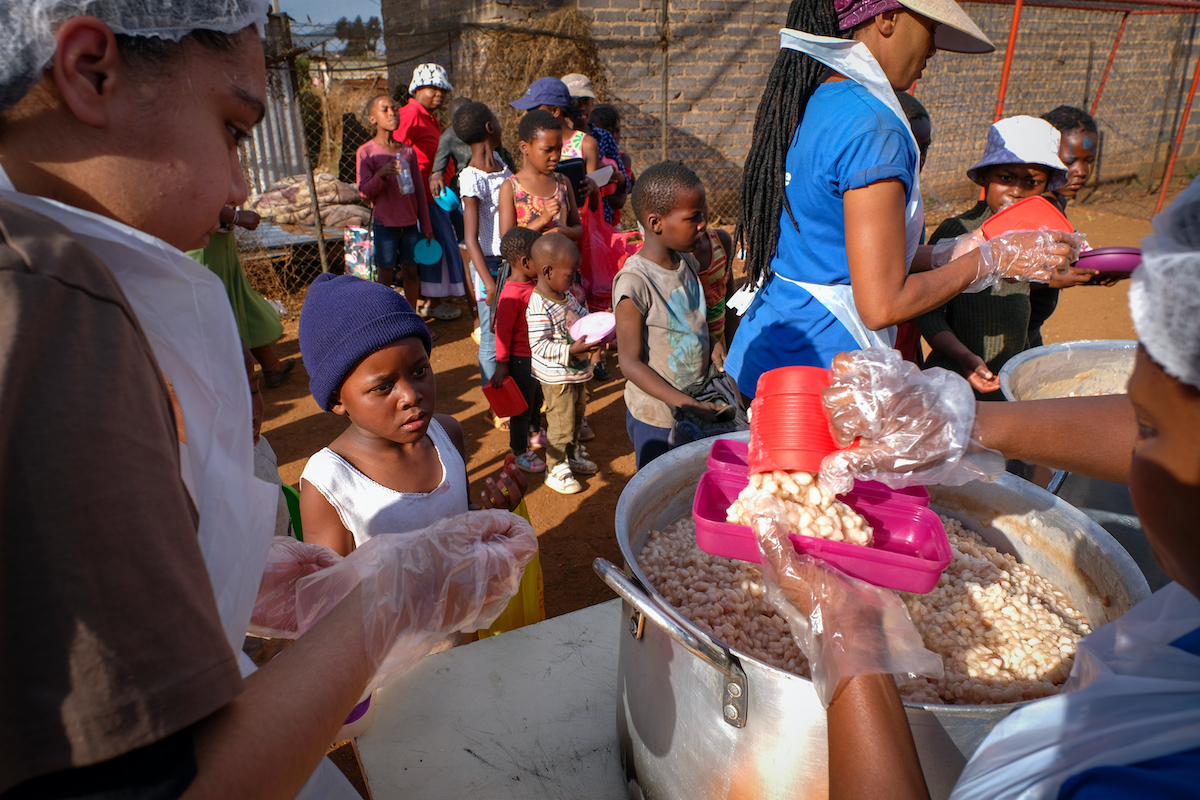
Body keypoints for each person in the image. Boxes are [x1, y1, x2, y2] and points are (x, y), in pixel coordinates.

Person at [0, 5, 534, 797]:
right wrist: (386, 597)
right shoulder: (45, 303)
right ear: (90, 72)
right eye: (233, 128)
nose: (240, 184)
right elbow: (166, 782)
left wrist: (234, 569)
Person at [768, 178, 1200, 800]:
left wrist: (849, 634)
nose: (1137, 450)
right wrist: (961, 423)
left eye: (1149, 433)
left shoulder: (1147, 778)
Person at [724, 0, 1080, 402]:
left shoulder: (811, 102)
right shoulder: (875, 128)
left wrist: (948, 254)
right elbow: (882, 304)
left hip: (771, 349)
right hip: (825, 376)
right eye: (930, 26)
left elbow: (835, 249)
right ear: (887, 18)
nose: (933, 49)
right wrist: (991, 259)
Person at [296, 274, 526, 557]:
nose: (411, 396)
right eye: (383, 387)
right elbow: (329, 592)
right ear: (336, 399)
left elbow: (458, 519)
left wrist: (490, 515)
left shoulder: (446, 435)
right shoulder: (330, 483)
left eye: (419, 371)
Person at [917, 115, 1075, 397]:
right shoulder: (957, 232)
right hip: (956, 377)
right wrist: (964, 357)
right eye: (1005, 178)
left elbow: (1027, 311)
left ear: (1046, 187)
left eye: (1031, 182)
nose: (1016, 191)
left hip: (1011, 375)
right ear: (986, 177)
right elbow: (929, 313)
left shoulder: (1036, 238)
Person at [613, 162, 723, 469]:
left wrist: (712, 341)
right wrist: (687, 404)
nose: (703, 223)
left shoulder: (685, 261)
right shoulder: (635, 283)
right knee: (660, 489)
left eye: (702, 213)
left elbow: (687, 320)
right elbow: (630, 363)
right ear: (655, 223)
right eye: (693, 217)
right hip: (659, 418)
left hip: (694, 403)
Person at [188, 204, 296, 387]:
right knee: (211, 309)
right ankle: (225, 385)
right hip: (201, 237)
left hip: (218, 235)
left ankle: (271, 366)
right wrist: (235, 217)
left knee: (235, 299)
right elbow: (192, 197)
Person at [526, 232, 600, 494]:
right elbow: (538, 346)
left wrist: (602, 324)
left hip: (577, 374)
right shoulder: (538, 305)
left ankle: (571, 454)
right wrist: (573, 349)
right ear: (547, 271)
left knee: (577, 416)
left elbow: (583, 318)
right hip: (557, 379)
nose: (573, 279)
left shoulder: (565, 296)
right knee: (560, 421)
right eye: (570, 274)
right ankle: (555, 467)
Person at [1027, 105, 1104, 348]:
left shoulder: (1057, 201)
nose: (1080, 171)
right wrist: (1053, 279)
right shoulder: (1028, 207)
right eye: (1070, 161)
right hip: (1008, 329)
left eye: (1088, 161)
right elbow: (999, 272)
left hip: (1031, 326)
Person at [395, 63, 464, 321]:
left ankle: (432, 300)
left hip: (436, 196)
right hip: (424, 196)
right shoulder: (411, 114)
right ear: (417, 88)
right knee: (435, 246)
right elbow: (397, 152)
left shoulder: (428, 116)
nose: (440, 94)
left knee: (441, 245)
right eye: (434, 88)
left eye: (443, 90)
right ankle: (430, 303)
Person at [456, 101, 512, 387]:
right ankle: (496, 402)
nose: (501, 125)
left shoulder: (504, 164)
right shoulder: (471, 176)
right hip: (487, 265)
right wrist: (488, 282)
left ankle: (514, 392)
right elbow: (470, 238)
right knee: (490, 337)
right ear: (490, 127)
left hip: (511, 262)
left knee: (512, 331)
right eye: (497, 120)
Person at [356, 93, 432, 307]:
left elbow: (418, 190)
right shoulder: (366, 153)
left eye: (395, 108)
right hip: (385, 225)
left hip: (410, 225)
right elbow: (364, 193)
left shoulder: (408, 152)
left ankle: (412, 318)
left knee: (411, 271)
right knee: (385, 274)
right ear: (373, 119)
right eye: (385, 110)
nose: (392, 113)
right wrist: (381, 174)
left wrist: (425, 225)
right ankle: (384, 318)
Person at [492, 226, 548, 474]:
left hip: (535, 356)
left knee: (536, 398)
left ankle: (535, 432)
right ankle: (519, 451)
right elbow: (502, 333)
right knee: (521, 407)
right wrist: (502, 364)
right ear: (526, 262)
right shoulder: (511, 295)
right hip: (521, 359)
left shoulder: (532, 284)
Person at [498, 110, 582, 241]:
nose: (555, 156)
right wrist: (542, 220)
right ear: (524, 147)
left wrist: (562, 231)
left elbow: (577, 227)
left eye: (559, 148)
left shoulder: (563, 183)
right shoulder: (511, 187)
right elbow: (507, 241)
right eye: (547, 150)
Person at [893, 91, 932, 365]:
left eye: (924, 148)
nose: (917, 159)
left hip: (905, 334)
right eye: (908, 148)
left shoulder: (913, 203)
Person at [562, 72, 630, 224]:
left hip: (600, 218)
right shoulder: (557, 139)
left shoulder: (604, 137)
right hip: (570, 217)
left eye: (585, 101)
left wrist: (615, 176)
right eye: (574, 102)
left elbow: (625, 181)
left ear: (592, 103)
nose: (581, 108)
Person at [693, 211, 737, 366]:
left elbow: (731, 304)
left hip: (720, 351)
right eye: (691, 215)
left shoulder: (721, 242)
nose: (702, 222)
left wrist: (733, 355)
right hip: (690, 358)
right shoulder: (674, 261)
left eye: (701, 207)